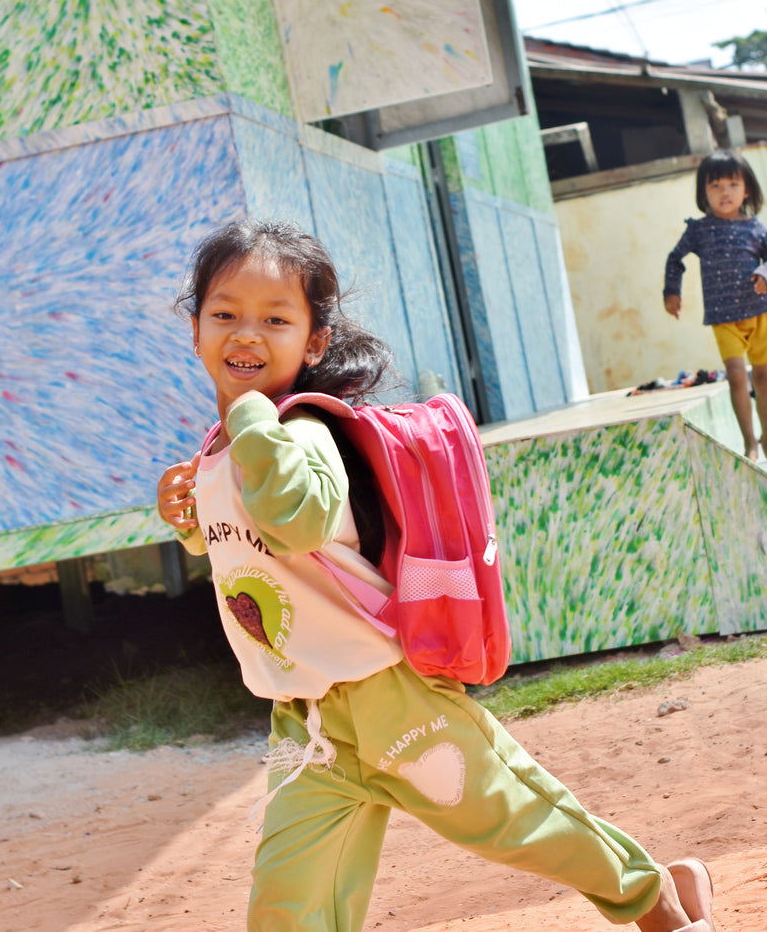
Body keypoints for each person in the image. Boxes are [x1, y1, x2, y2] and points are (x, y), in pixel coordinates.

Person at [156, 218, 716, 932]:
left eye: (275, 319)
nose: (246, 334)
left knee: (514, 821)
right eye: (225, 314)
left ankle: (657, 902)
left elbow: (294, 519)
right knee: (287, 904)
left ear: (314, 340)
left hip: (393, 698)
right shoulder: (224, 446)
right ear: (196, 326)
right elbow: (243, 547)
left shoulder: (299, 432)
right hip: (306, 721)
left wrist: (254, 420)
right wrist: (187, 512)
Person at [663, 148, 767, 463]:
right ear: (703, 192)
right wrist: (672, 291)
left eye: (733, 185)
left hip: (762, 312)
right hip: (724, 317)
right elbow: (675, 258)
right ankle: (750, 443)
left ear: (747, 189)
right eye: (716, 186)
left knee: (762, 378)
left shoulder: (755, 228)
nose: (725, 193)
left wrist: (765, 273)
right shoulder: (699, 230)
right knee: (736, 376)